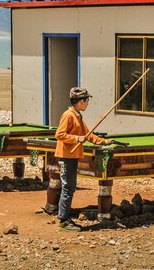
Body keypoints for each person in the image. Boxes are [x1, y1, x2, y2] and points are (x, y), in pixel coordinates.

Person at [55, 87, 112, 232]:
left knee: (70, 187)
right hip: (66, 156)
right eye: (86, 100)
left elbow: (88, 135)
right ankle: (63, 221)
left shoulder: (78, 116)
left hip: (72, 157)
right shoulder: (68, 115)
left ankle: (65, 218)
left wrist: (103, 141)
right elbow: (59, 134)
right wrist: (76, 138)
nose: (87, 103)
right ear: (80, 101)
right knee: (68, 188)